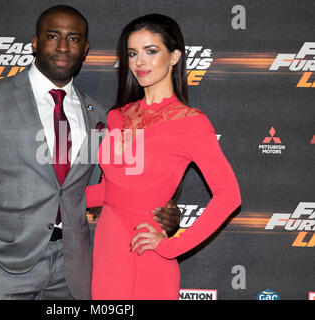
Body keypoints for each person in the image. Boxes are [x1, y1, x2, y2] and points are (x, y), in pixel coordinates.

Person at [0, 6, 181, 300]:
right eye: (53, 36)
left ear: (86, 49)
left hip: (72, 272)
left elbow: (107, 190)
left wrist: (160, 211)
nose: (63, 46)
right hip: (0, 266)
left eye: (74, 39)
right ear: (35, 42)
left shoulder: (99, 116)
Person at [85, 14, 241, 300]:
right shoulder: (117, 116)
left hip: (148, 252)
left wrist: (172, 247)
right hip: (107, 248)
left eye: (151, 51)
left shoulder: (191, 123)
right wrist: (53, 196)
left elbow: (229, 196)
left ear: (174, 56)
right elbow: (111, 190)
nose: (139, 62)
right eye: (132, 54)